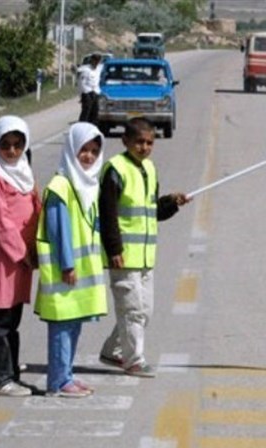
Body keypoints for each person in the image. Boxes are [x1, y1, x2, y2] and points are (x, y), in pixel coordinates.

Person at [98, 117, 189, 377]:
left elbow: (152, 212)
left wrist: (172, 202)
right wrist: (114, 250)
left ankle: (112, 351)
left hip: (146, 257)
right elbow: (108, 214)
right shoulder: (115, 169)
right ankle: (134, 360)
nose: (144, 147)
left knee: (144, 311)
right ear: (125, 141)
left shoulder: (149, 169)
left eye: (150, 142)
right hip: (124, 257)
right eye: (139, 142)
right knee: (133, 310)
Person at [35, 123, 108, 397]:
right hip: (66, 270)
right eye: (83, 151)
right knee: (62, 326)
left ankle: (66, 375)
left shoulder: (89, 184)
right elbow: (58, 229)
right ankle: (57, 381)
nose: (88, 156)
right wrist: (67, 263)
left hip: (81, 269)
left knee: (74, 324)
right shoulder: (60, 186)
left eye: (93, 151)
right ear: (71, 151)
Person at [0, 116, 41, 397]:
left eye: (18, 145)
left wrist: (37, 249)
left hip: (22, 260)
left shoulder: (25, 173)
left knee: (12, 320)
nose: (12, 151)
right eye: (5, 145)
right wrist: (21, 253)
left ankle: (11, 374)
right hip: (3, 259)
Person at [77, 54, 102, 124]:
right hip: (87, 93)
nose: (96, 63)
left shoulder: (99, 68)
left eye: (98, 61)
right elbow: (81, 83)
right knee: (86, 112)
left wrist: (96, 92)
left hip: (96, 92)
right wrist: (85, 94)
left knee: (95, 112)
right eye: (95, 61)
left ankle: (93, 127)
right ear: (92, 61)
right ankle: (82, 126)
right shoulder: (85, 70)